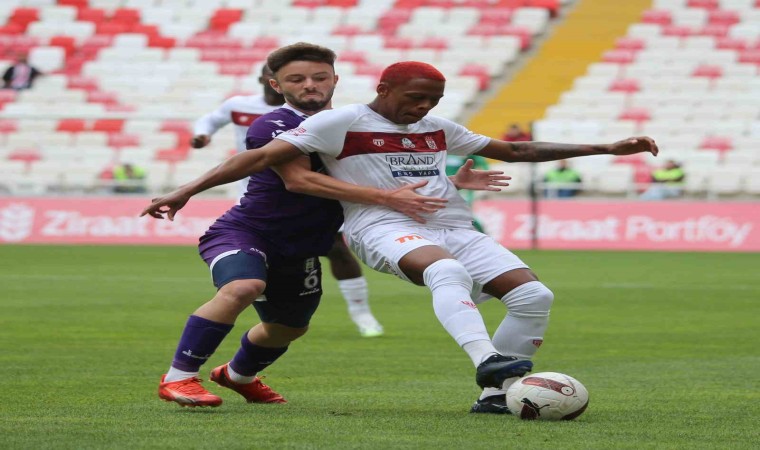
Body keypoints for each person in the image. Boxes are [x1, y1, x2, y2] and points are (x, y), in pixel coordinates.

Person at [142, 58, 658, 414]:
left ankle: (497, 395)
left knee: (533, 296)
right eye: (415, 98)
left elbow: (516, 151)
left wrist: (606, 148)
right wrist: (184, 190)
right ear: (384, 90)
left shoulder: (438, 127)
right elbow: (259, 159)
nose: (423, 107)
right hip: (381, 226)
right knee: (446, 271)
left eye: (433, 99)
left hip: (450, 224)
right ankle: (488, 361)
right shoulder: (342, 122)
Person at [146, 44, 507, 408]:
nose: (309, 85)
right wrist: (185, 190)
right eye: (296, 79)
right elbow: (299, 180)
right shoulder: (272, 124)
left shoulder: (355, 125)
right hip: (250, 231)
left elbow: (387, 177)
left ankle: (237, 376)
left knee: (289, 327)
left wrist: (449, 183)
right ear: (276, 85)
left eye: (319, 78)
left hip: (305, 245)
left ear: (335, 80)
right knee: (244, 287)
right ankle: (178, 377)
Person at [192, 64, 384, 338]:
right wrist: (202, 134)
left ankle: (361, 313)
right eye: (291, 78)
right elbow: (210, 120)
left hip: (309, 198)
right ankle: (257, 298)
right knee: (255, 264)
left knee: (337, 250)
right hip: (258, 192)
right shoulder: (240, 106)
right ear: (268, 80)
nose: (305, 84)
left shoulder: (319, 117)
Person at [445, 154, 490, 232]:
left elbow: (483, 165)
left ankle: (482, 233)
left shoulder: (468, 151)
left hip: (463, 190)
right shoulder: (441, 153)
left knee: (464, 213)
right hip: (444, 189)